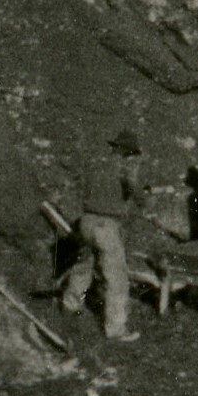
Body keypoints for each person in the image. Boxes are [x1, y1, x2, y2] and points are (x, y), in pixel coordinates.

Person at [63, 129, 141, 340]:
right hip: (106, 225)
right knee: (117, 278)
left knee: (83, 266)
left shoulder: (96, 165)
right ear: (128, 152)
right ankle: (116, 329)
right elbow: (137, 195)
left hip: (86, 221)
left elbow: (84, 191)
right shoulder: (124, 169)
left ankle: (69, 306)